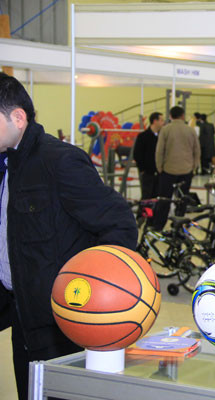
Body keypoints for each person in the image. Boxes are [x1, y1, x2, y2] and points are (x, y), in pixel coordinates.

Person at [0, 72, 137, 400]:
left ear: (18, 118)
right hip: (22, 313)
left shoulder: (59, 161)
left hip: (58, 322)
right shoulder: (7, 164)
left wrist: (92, 296)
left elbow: (119, 224)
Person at [153, 106, 200, 230]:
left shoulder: (165, 130)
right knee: (182, 200)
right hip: (186, 171)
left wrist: (160, 168)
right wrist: (194, 167)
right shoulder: (190, 130)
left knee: (164, 200)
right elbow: (196, 150)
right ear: (183, 116)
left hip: (168, 171)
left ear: (170, 116)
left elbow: (159, 151)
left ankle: (159, 226)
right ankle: (179, 225)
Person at [133, 111, 164, 201]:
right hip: (147, 173)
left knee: (157, 196)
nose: (163, 123)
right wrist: (142, 169)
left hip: (159, 172)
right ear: (155, 121)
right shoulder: (143, 136)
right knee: (147, 195)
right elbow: (137, 154)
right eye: (161, 120)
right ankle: (144, 210)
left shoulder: (162, 136)